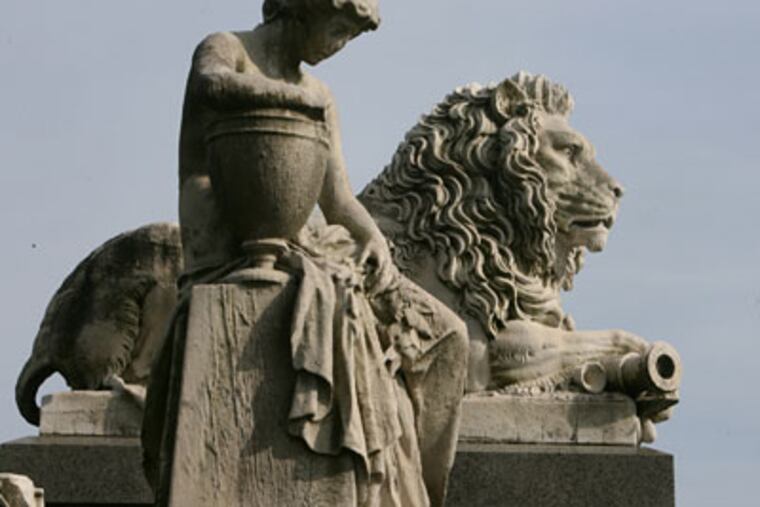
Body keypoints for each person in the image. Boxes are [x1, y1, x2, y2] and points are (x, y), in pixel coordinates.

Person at [177, 0, 391, 288]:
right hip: (219, 216)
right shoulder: (229, 47)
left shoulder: (319, 94)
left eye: (349, 38)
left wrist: (373, 237)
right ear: (303, 9)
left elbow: (337, 198)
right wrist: (290, 98)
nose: (339, 45)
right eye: (338, 29)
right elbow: (212, 83)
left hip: (292, 222)